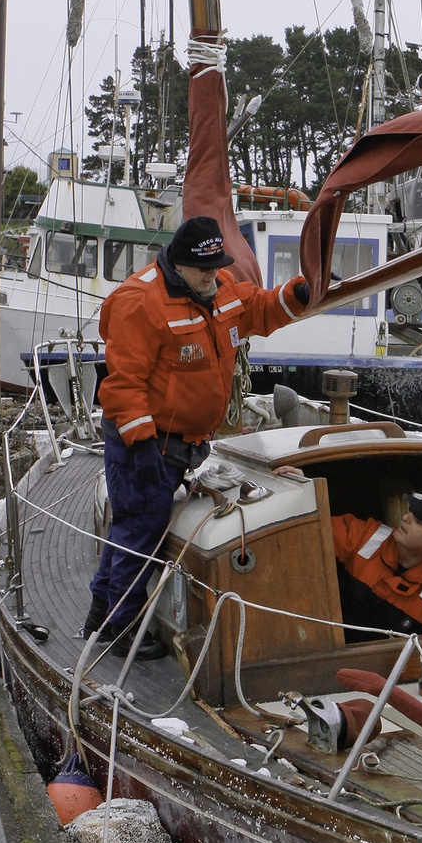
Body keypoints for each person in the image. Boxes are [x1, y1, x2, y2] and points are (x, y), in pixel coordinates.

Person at [82, 215, 309, 659]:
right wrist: (142, 444)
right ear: (179, 264)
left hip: (181, 443)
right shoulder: (140, 302)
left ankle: (100, 615)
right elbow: (122, 384)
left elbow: (259, 309)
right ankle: (120, 628)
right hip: (149, 443)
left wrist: (298, 293)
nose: (213, 275)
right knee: (139, 532)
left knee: (132, 528)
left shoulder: (218, 289)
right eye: (203, 268)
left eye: (216, 266)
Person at [330, 490, 422, 643]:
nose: (406, 518)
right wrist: (302, 490)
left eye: (419, 521)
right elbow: (313, 530)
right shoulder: (365, 535)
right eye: (412, 511)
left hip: (384, 666)